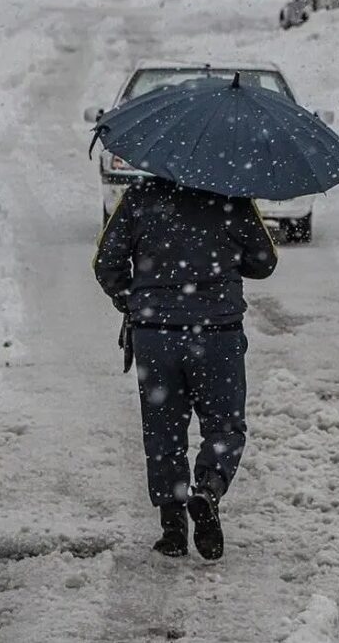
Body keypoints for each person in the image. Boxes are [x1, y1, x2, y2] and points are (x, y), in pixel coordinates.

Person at [94, 177, 277, 560]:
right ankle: (208, 491)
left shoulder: (139, 198)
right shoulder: (231, 195)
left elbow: (106, 263)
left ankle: (172, 527)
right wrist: (226, 255)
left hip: (155, 335)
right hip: (217, 334)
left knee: (162, 428)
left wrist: (132, 299)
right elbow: (264, 261)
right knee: (224, 425)